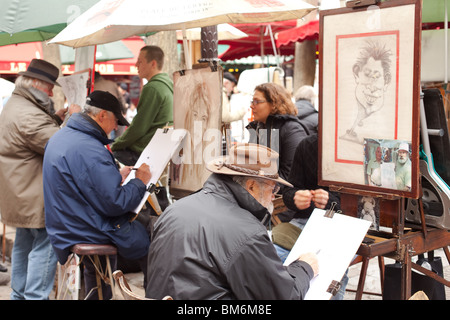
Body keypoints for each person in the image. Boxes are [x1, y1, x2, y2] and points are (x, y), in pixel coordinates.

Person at [146, 143, 319, 300]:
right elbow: (283, 297)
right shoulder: (246, 232)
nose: (274, 195)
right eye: (272, 187)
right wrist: (305, 267)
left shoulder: (175, 209)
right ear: (251, 186)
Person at [43, 91, 152, 300]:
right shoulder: (90, 148)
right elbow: (115, 203)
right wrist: (140, 181)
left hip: (65, 223)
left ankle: (99, 294)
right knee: (151, 236)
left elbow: (80, 182)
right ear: (102, 115)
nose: (115, 128)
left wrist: (113, 176)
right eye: (115, 121)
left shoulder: (62, 136)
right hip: (84, 227)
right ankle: (154, 295)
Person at [0, 59, 78, 300]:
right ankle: (34, 297)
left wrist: (55, 118)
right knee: (44, 248)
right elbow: (60, 147)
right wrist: (72, 120)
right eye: (49, 87)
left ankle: (19, 295)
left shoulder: (18, 104)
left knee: (24, 245)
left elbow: (36, 136)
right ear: (35, 84)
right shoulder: (28, 114)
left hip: (20, 193)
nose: (52, 92)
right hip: (34, 196)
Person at [280, 132, 347, 300]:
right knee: (274, 255)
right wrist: (295, 197)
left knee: (330, 268)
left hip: (345, 224)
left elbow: (361, 207)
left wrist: (329, 201)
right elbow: (289, 189)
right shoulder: (307, 145)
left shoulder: (354, 148)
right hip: (305, 220)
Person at [111, 45, 173, 166]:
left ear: (153, 64)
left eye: (140, 61)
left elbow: (139, 127)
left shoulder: (153, 88)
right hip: (161, 148)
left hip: (146, 151)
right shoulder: (168, 85)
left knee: (110, 155)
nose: (136, 65)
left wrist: (116, 144)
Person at [246, 82, 309, 183]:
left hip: (280, 195)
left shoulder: (292, 130)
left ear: (274, 104)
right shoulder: (258, 128)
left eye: (257, 102)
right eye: (252, 101)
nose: (252, 106)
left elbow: (291, 175)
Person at [93, 71, 127, 139]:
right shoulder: (112, 84)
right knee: (118, 138)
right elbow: (121, 100)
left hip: (103, 118)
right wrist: (124, 111)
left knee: (107, 139)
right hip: (117, 115)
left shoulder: (93, 87)